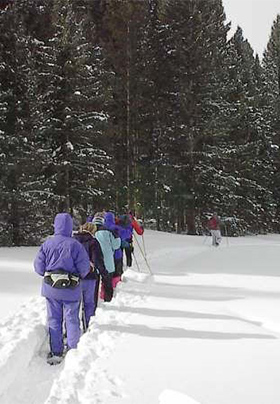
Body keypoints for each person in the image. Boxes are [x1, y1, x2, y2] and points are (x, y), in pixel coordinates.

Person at [34, 213, 90, 365]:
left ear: (56, 225)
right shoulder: (75, 245)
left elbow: (39, 268)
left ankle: (56, 351)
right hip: (71, 289)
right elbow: (84, 268)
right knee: (72, 318)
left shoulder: (47, 244)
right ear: (70, 226)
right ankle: (73, 350)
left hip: (51, 288)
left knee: (54, 319)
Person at [73, 222, 111, 330]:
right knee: (89, 303)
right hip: (90, 276)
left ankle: (72, 329)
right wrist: (104, 274)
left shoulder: (73, 241)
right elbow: (98, 260)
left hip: (74, 277)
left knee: (74, 305)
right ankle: (88, 326)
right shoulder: (93, 242)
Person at [92, 213, 121, 301]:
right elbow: (116, 246)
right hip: (107, 261)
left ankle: (94, 303)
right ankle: (108, 301)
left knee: (94, 285)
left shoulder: (90, 231)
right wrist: (117, 237)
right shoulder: (108, 231)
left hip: (94, 262)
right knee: (107, 283)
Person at [104, 211, 124, 288]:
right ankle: (115, 287)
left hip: (105, 254)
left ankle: (105, 290)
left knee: (106, 273)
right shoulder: (116, 227)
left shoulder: (102, 227)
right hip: (117, 253)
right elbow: (125, 235)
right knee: (117, 272)